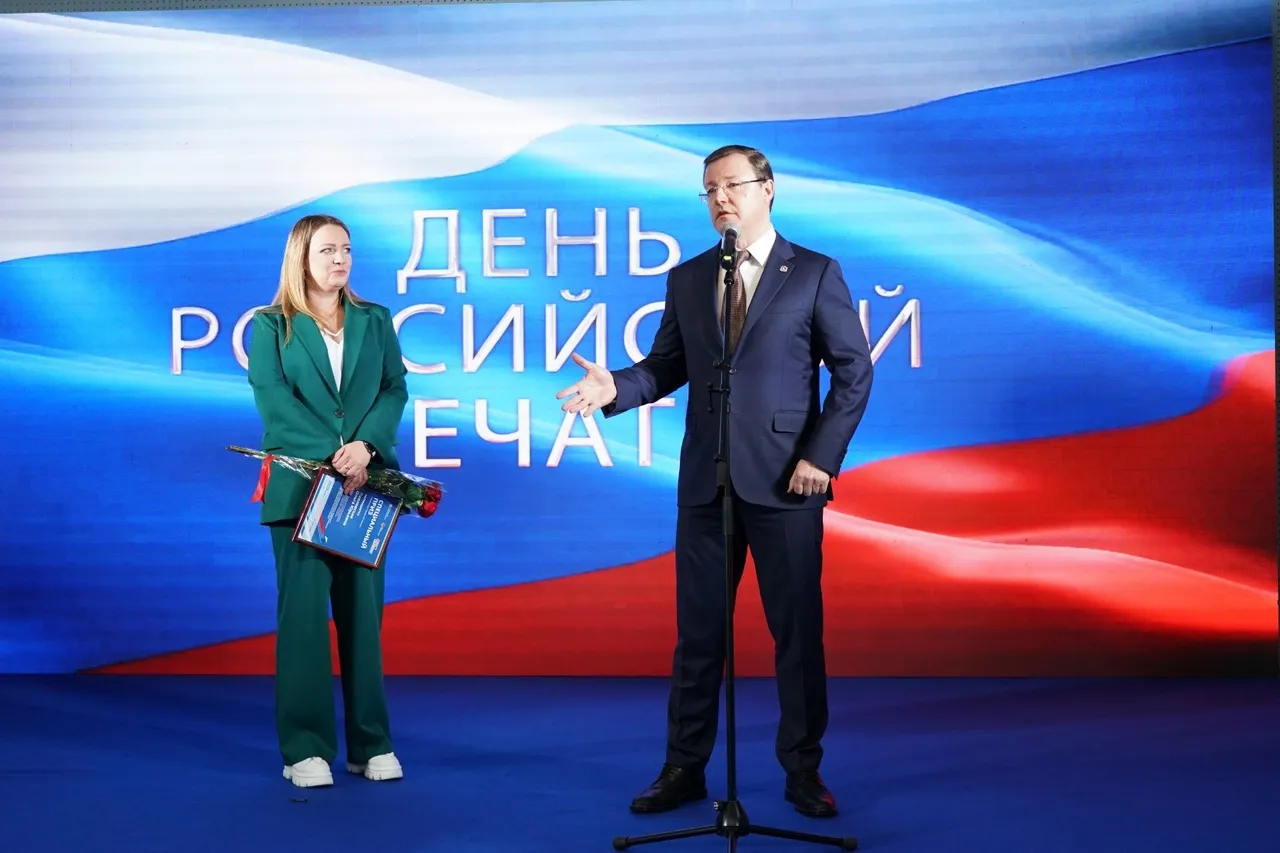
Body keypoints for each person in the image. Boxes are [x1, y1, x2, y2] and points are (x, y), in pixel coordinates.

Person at [556, 145, 873, 818]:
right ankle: (683, 768)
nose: (720, 198)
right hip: (707, 481)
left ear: (768, 188)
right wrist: (616, 387)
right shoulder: (690, 276)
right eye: (709, 189)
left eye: (732, 185)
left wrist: (820, 457)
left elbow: (854, 370)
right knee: (699, 637)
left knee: (796, 634)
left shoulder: (813, 272)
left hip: (788, 482)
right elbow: (666, 365)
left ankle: (803, 770)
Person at [246, 213, 409, 788]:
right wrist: (334, 454)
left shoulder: (375, 319)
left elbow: (394, 388)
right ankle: (305, 750)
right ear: (301, 257)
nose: (340, 259)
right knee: (303, 625)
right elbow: (273, 401)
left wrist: (365, 448)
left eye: (346, 249)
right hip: (300, 491)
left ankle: (372, 744)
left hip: (364, 490)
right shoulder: (270, 326)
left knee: (364, 622)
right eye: (327, 250)